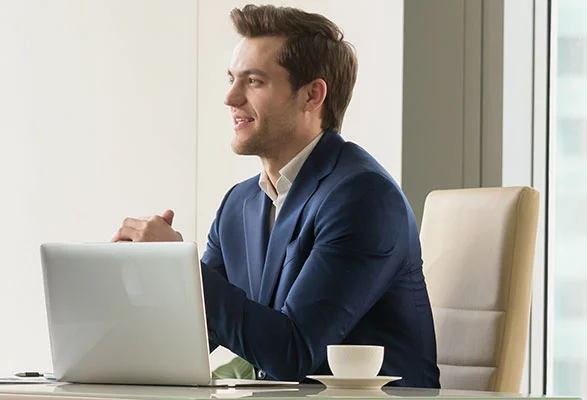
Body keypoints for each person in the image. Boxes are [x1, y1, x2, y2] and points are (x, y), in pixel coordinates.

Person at [111, 4, 439, 388]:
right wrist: (149, 279)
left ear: (312, 95)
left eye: (253, 81)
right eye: (231, 79)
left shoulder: (363, 198)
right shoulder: (240, 204)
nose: (230, 98)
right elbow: (200, 336)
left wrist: (182, 268)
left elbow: (294, 353)